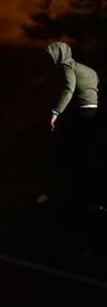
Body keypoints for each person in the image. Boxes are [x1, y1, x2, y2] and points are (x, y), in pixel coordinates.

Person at [46, 43, 100, 208]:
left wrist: (56, 111)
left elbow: (69, 88)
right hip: (94, 112)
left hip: (81, 114)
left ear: (59, 54)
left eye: (51, 55)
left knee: (73, 154)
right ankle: (90, 197)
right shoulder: (87, 69)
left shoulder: (66, 65)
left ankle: (78, 198)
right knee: (87, 154)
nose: (50, 59)